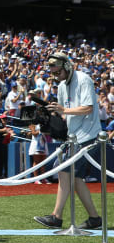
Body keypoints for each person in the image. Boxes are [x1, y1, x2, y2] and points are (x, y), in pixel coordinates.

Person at [34, 52, 102, 230]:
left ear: (67, 66)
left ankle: (56, 216)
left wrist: (64, 109)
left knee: (65, 170)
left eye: (57, 73)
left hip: (89, 135)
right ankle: (95, 219)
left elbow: (88, 108)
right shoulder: (63, 86)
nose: (56, 77)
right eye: (53, 74)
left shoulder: (84, 79)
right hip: (74, 137)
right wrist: (50, 116)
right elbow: (66, 113)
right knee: (76, 179)